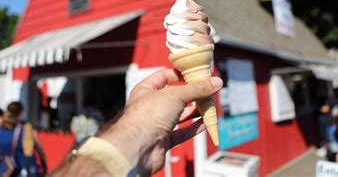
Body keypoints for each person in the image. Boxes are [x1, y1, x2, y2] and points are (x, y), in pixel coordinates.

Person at [54, 69, 223, 176]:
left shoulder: (78, 117)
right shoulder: (96, 113)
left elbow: (74, 128)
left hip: (83, 146)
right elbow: (99, 126)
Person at [0, 102, 46, 176]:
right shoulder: (26, 130)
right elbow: (40, 152)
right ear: (20, 114)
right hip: (25, 171)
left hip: (6, 172)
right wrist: (44, 165)